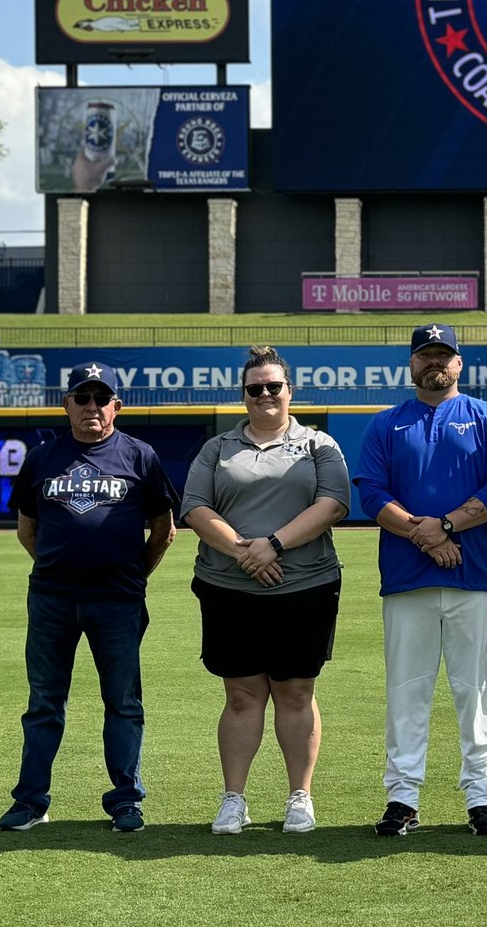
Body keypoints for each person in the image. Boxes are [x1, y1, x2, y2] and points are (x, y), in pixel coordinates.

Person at [354, 323, 487, 837]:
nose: (436, 363)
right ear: (411, 363)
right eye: (426, 354)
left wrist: (446, 524)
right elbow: (372, 495)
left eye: (444, 355)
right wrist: (428, 536)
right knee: (408, 690)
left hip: (474, 575)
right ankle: (402, 797)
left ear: (459, 363)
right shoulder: (387, 423)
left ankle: (482, 796)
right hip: (408, 578)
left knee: (477, 691)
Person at [0, 361, 177, 833]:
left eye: (101, 398)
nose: (91, 407)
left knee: (122, 702)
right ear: (66, 405)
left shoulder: (140, 456)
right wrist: (59, 565)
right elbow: (26, 528)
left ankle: (126, 801)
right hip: (53, 598)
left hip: (116, 600)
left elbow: (164, 530)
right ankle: (31, 801)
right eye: (82, 397)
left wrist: (135, 575)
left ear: (117, 405)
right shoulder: (41, 458)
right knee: (44, 703)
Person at [181, 346, 350, 836]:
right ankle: (233, 799)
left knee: (296, 692)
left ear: (289, 391)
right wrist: (243, 552)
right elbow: (194, 507)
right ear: (244, 396)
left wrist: (273, 545)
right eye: (255, 388)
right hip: (228, 587)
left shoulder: (319, 445)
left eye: (273, 386)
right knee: (240, 695)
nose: (265, 395)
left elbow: (335, 502)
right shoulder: (217, 449)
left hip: (306, 586)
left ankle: (300, 797)